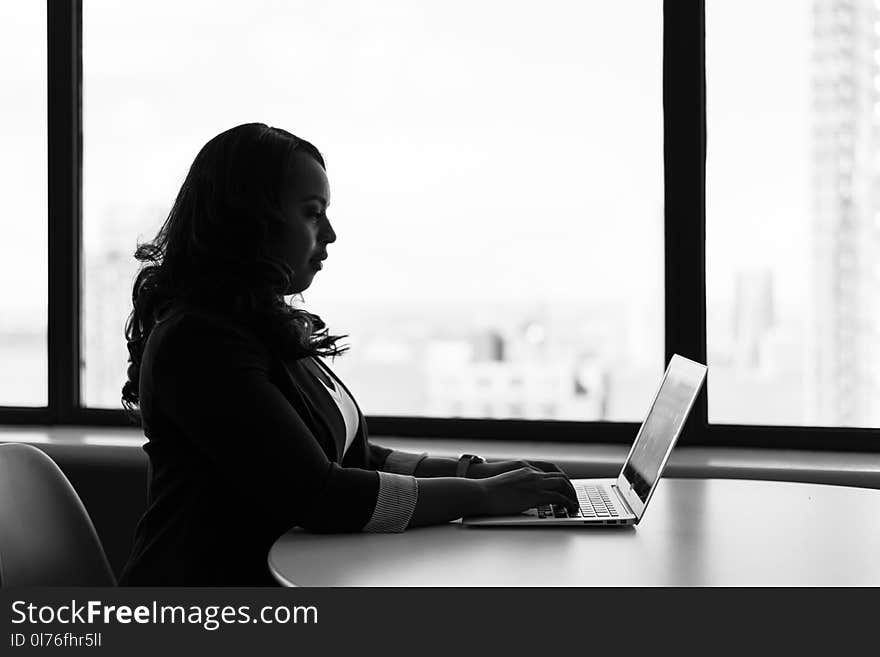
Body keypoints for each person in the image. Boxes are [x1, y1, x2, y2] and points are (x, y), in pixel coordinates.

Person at [118, 123, 580, 586]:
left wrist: (472, 473)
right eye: (312, 213)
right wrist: (481, 497)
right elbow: (320, 493)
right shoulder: (199, 343)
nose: (331, 234)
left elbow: (353, 457)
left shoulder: (259, 325)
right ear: (249, 221)